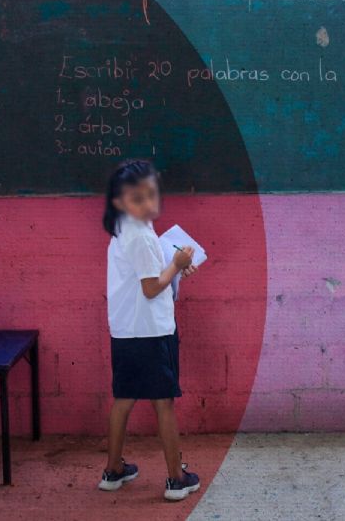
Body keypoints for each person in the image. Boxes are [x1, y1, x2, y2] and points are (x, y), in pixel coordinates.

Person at [98, 159, 201, 501]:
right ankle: (176, 478)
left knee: (124, 399)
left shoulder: (124, 229)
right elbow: (150, 288)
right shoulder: (141, 235)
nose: (148, 203)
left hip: (126, 331)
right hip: (151, 333)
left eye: (151, 194)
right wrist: (176, 264)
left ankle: (113, 471)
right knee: (164, 403)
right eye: (138, 197)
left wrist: (173, 271)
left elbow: (152, 280)